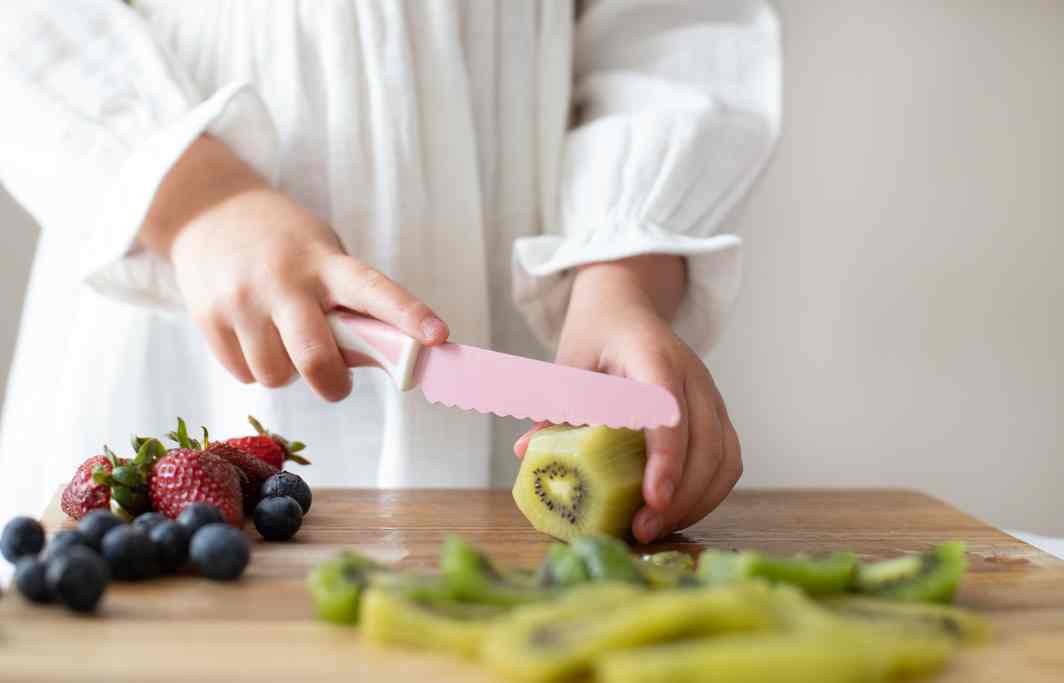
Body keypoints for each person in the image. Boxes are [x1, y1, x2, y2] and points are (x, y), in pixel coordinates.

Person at [0, 1, 779, 543]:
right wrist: (198, 198)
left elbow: (677, 29)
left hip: (534, 273)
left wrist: (621, 269)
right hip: (170, 259)